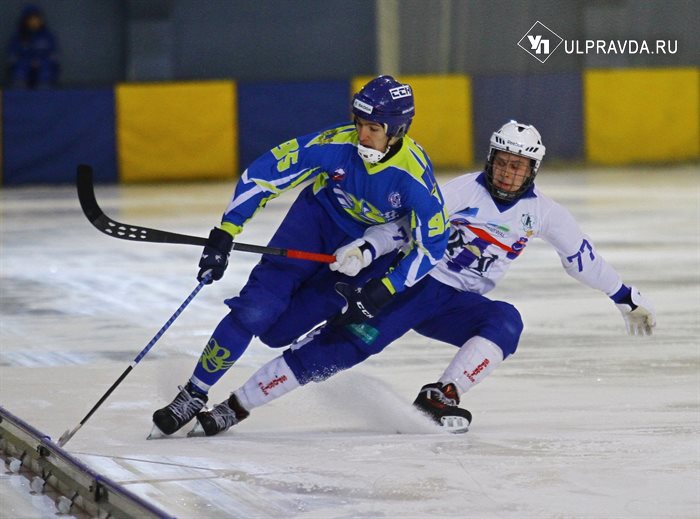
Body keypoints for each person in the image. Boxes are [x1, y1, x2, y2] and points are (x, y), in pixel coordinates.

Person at [189, 120, 656, 436]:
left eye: (517, 166)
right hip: (412, 286)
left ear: (532, 170)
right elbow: (403, 227)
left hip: (456, 305)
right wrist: (368, 248)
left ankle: (442, 395)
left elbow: (580, 258)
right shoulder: (459, 191)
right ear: (490, 159)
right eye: (501, 161)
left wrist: (623, 295)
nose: (507, 173)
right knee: (346, 347)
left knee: (506, 321)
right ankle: (236, 406)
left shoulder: (545, 214)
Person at [150, 75, 449, 437]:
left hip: (361, 257)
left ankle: (239, 403)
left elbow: (433, 244)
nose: (362, 135)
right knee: (256, 310)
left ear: (397, 130)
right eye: (359, 123)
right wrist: (227, 231)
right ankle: (193, 393)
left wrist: (387, 287)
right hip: (312, 224)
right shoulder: (335, 144)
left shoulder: (414, 178)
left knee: (278, 333)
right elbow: (264, 173)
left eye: (373, 128)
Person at [6, 4, 60, 89]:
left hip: (43, 65)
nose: (34, 21)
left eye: (37, 18)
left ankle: (44, 91)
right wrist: (28, 61)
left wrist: (41, 61)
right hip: (24, 66)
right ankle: (19, 92)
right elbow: (12, 56)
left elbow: (54, 55)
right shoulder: (18, 36)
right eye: (31, 18)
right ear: (25, 20)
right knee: (19, 71)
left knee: (46, 72)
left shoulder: (47, 36)